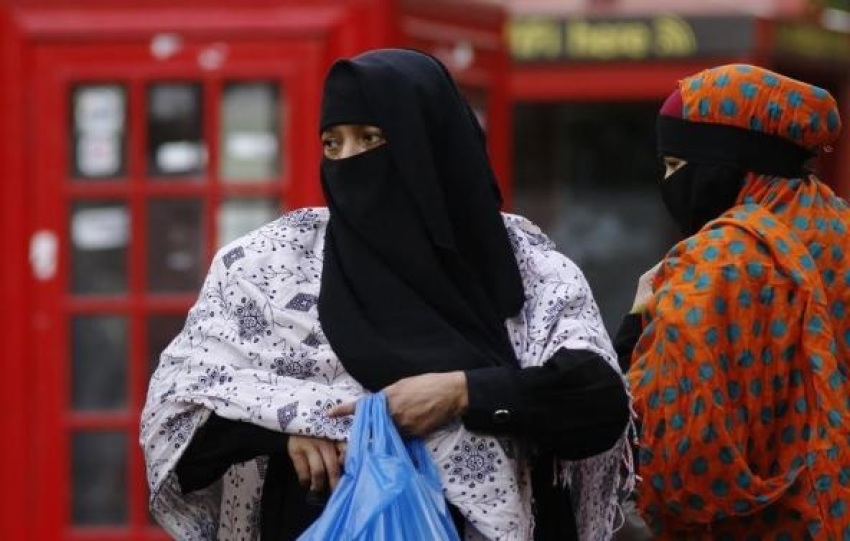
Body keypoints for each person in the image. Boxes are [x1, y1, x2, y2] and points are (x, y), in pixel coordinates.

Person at [140, 48, 633, 541]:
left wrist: (462, 393)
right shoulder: (274, 265)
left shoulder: (526, 263)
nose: (349, 162)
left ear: (432, 143)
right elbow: (181, 424)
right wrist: (285, 428)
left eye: (370, 139)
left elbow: (595, 403)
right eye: (332, 144)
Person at [621, 64, 850, 538]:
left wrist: (633, 325)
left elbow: (676, 463)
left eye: (675, 167)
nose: (667, 183)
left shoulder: (716, 264)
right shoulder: (839, 228)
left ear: (724, 163)